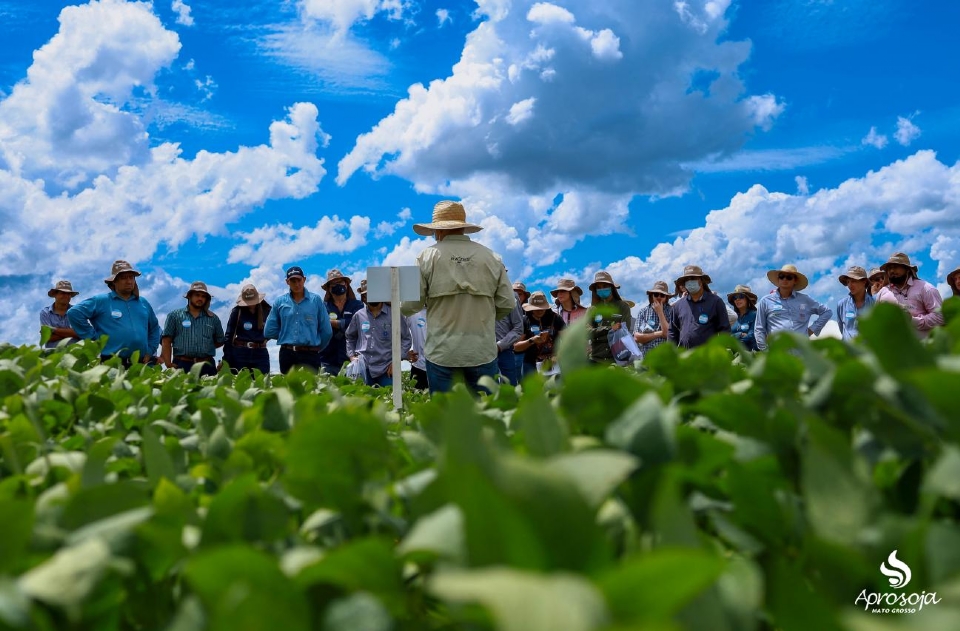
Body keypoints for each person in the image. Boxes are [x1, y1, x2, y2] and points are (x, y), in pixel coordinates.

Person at [400, 200, 515, 394]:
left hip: (442, 352)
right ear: (463, 228)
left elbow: (409, 305)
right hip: (482, 350)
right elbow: (507, 303)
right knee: (486, 416)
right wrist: (483, 319)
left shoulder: (425, 257)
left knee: (446, 417)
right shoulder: (492, 257)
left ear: (438, 231)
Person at [67, 260, 161, 366]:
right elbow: (74, 313)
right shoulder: (102, 301)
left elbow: (154, 328)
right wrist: (94, 339)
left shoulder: (143, 302)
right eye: (123, 278)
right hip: (111, 363)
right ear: (114, 282)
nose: (129, 281)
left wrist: (150, 350)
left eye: (131, 277)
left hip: (140, 363)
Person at [264, 266, 333, 374]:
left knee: (311, 389)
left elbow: (327, 331)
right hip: (287, 355)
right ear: (287, 282)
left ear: (304, 279)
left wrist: (316, 347)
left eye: (299, 280)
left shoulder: (316, 301)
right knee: (288, 389)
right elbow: (268, 331)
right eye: (293, 281)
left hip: (310, 354)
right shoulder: (280, 302)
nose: (297, 284)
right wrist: (288, 335)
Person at [755, 264, 831, 351]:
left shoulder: (805, 300)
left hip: (801, 353)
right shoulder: (765, 301)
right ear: (778, 279)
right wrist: (765, 351)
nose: (784, 279)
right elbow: (759, 329)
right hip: (777, 352)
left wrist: (811, 330)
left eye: (789, 277)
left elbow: (827, 312)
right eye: (782, 276)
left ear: (795, 280)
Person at [160, 281, 225, 377]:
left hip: (206, 364)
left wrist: (204, 346)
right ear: (189, 296)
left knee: (208, 391)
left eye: (203, 296)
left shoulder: (213, 318)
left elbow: (220, 340)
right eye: (197, 295)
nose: (200, 298)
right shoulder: (175, 316)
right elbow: (166, 340)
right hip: (182, 363)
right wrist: (168, 363)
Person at [345, 298, 413, 387]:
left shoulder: (394, 314)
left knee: (390, 399)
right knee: (363, 399)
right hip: (363, 368)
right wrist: (352, 356)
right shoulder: (359, 315)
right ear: (364, 297)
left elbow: (406, 338)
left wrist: (396, 360)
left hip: (386, 369)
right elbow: (350, 336)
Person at [875, 252, 944, 337]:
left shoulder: (926, 289)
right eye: (889, 268)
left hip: (920, 347)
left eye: (896, 267)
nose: (892, 271)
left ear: (907, 269)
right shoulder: (883, 292)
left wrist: (912, 321)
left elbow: (940, 317)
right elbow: (875, 320)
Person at [667, 265, 730, 349]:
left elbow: (724, 330)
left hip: (708, 356)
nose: (690, 282)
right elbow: (672, 332)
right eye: (687, 280)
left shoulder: (716, 302)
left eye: (693, 278)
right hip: (685, 357)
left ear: (701, 280)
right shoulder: (678, 305)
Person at [318, 269, 364, 376]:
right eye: (334, 284)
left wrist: (336, 323)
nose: (337, 286)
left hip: (352, 359)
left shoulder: (357, 305)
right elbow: (320, 324)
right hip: (327, 359)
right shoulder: (323, 307)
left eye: (340, 283)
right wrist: (345, 324)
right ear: (329, 289)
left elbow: (359, 323)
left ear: (346, 285)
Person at [222, 283, 271, 374]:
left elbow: (275, 328)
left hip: (261, 353)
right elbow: (229, 336)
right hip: (240, 353)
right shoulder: (237, 311)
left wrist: (264, 339)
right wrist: (226, 360)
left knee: (262, 383)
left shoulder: (267, 311)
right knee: (240, 383)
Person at [515, 290, 566, 377]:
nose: (540, 311)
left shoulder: (556, 318)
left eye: (542, 308)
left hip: (554, 363)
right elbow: (516, 347)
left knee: (555, 389)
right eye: (536, 309)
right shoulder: (525, 320)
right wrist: (532, 340)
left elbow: (568, 339)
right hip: (530, 364)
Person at [586, 270, 632, 363]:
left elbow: (623, 332)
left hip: (617, 358)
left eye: (605, 286)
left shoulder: (623, 307)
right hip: (596, 358)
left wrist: (598, 334)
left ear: (611, 288)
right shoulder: (592, 310)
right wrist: (610, 329)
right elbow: (587, 333)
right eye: (598, 287)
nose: (601, 289)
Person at [632, 281, 671, 358]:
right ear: (651, 296)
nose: (659, 297)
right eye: (656, 294)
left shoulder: (672, 311)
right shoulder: (643, 312)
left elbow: (668, 334)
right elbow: (637, 337)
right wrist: (660, 333)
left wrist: (660, 312)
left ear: (666, 297)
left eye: (662, 295)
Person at [836, 266, 875, 342]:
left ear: (864, 282)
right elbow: (841, 328)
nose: (850, 285)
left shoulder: (874, 304)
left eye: (853, 281)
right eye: (848, 282)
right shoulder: (841, 304)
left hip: (867, 351)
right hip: (847, 351)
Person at [40, 280, 80, 349]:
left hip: (74, 353)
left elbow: (80, 332)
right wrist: (71, 333)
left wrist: (53, 330)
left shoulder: (77, 311)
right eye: (63, 293)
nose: (66, 296)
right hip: (53, 355)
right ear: (55, 295)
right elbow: (47, 337)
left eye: (68, 294)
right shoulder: (45, 312)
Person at [495, 294, 524, 386]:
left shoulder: (510, 295)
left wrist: (499, 346)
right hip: (479, 352)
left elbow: (518, 327)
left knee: (509, 389)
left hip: (504, 351)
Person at [727, 284, 758, 351]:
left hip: (751, 355)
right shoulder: (734, 317)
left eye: (741, 296)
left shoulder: (755, 315)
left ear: (747, 299)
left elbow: (752, 336)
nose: (737, 299)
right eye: (735, 298)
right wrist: (740, 334)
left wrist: (733, 339)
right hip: (735, 355)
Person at [406, 308, 429, 389]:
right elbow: (397, 331)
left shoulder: (442, 309)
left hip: (441, 367)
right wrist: (404, 352)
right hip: (419, 367)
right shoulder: (412, 311)